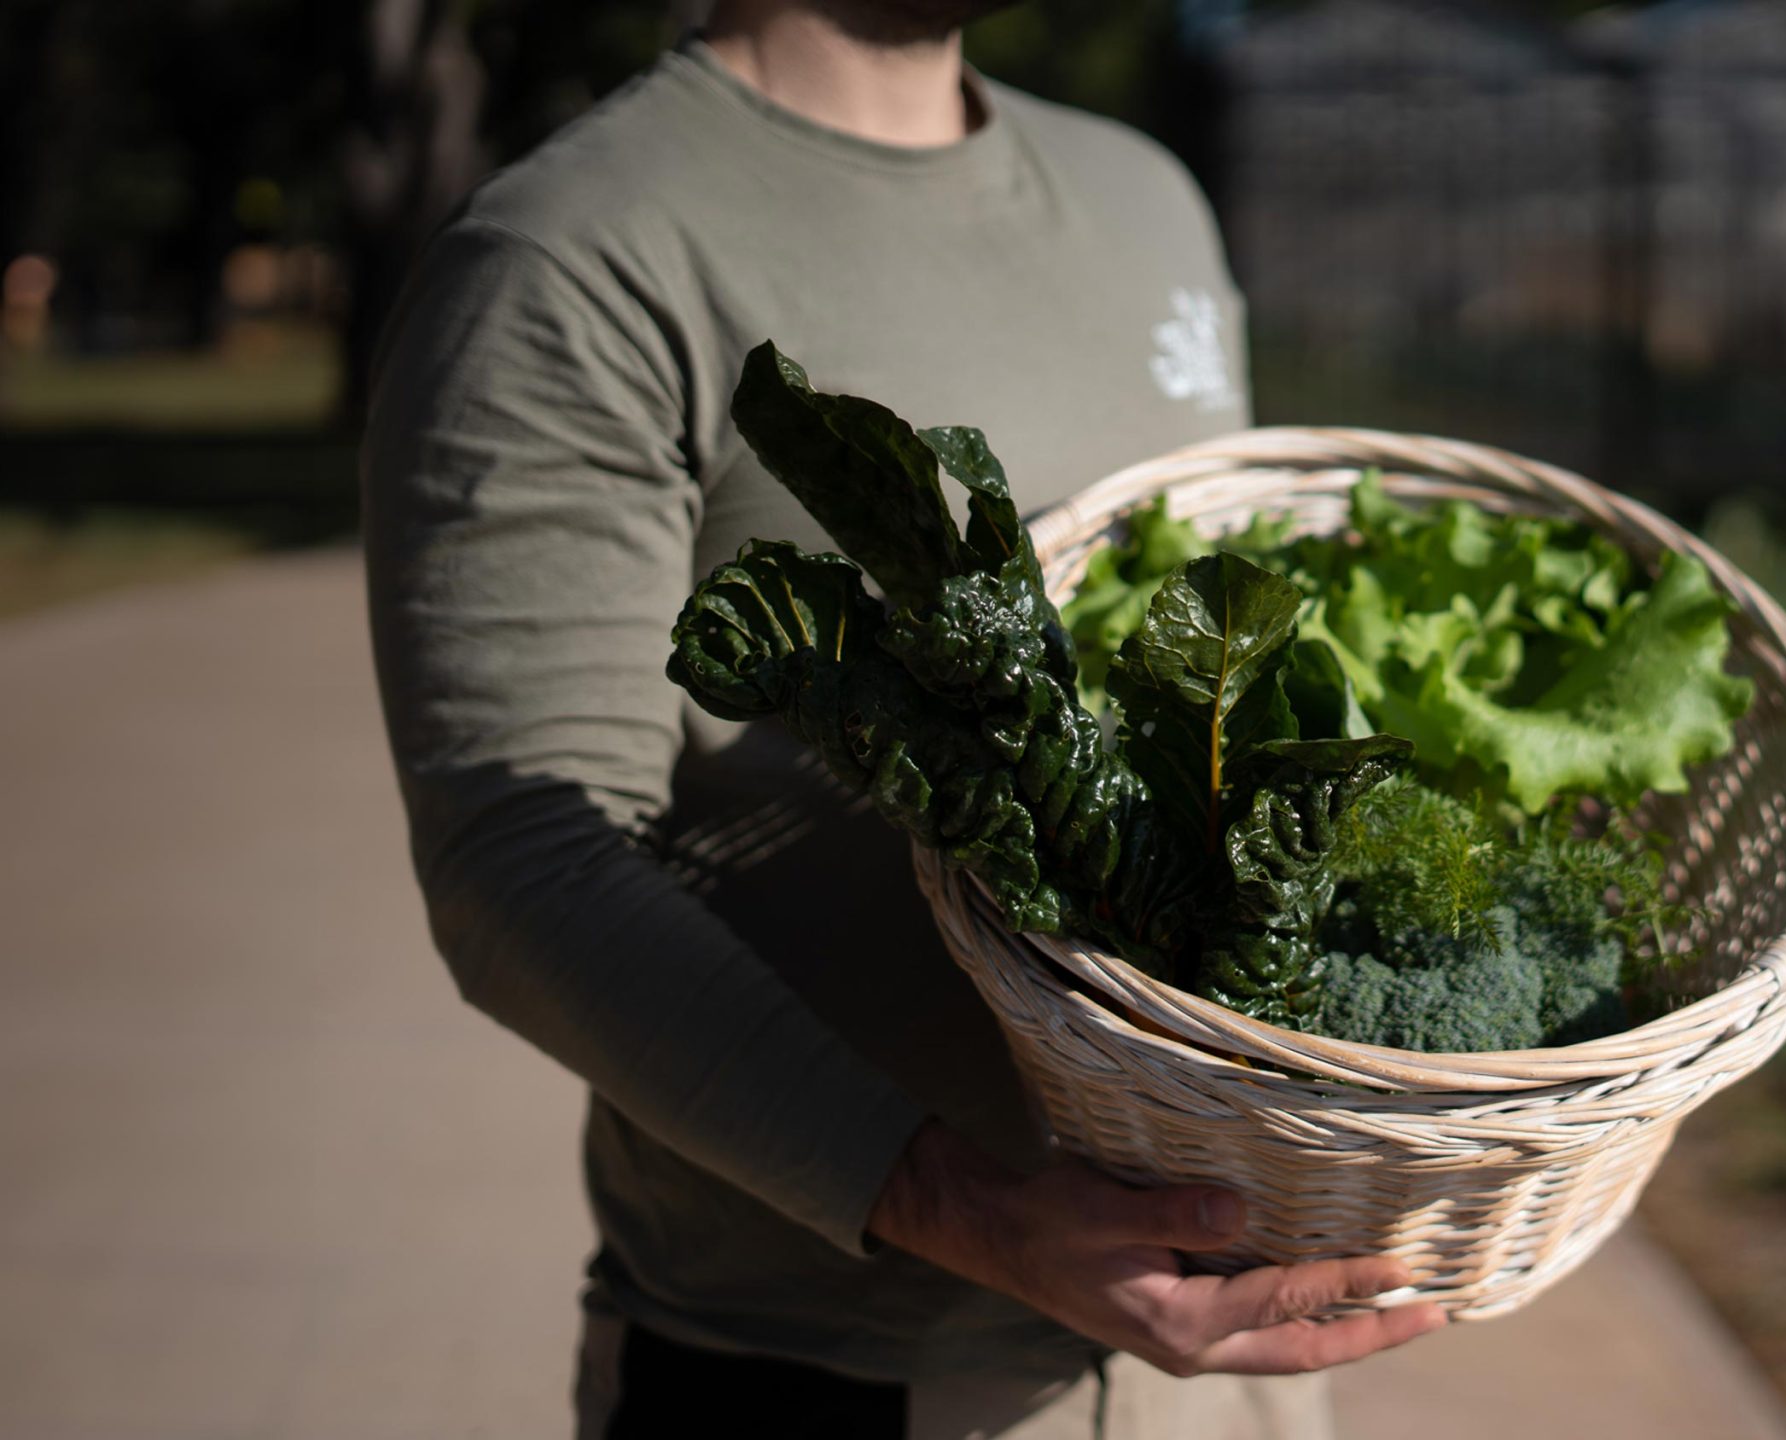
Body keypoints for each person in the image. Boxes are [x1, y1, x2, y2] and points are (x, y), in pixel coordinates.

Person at [358, 1, 1446, 1435]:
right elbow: (524, 861)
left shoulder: (1145, 198)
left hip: (1232, 1384)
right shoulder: (572, 256)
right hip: (837, 1373)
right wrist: (972, 1211)